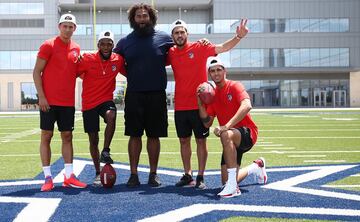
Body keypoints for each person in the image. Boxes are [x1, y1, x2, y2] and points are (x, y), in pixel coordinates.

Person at [168, 19, 249, 189]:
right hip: (180, 105)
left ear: (187, 34)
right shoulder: (170, 52)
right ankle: (188, 174)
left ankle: (200, 176)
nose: (180, 35)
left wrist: (238, 37)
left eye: (182, 32)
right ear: (172, 36)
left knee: (200, 141)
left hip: (200, 105)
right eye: (176, 33)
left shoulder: (199, 47)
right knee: (183, 141)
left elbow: (223, 48)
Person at [113, 3, 173, 188]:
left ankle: (153, 174)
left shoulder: (165, 38)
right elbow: (113, 62)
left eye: (145, 16)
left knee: (154, 135)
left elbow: (182, 49)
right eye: (138, 16)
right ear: (133, 19)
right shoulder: (124, 42)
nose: (141, 19)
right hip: (134, 94)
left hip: (156, 94)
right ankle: (133, 174)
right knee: (134, 135)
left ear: (151, 18)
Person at [197, 56, 267, 198]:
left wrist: (226, 126)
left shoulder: (235, 86)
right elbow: (207, 123)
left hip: (247, 133)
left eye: (219, 70)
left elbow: (247, 105)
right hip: (231, 140)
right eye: (212, 71)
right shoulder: (213, 95)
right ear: (209, 74)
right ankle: (257, 167)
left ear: (225, 71)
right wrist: (200, 103)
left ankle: (234, 189)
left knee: (225, 134)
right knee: (226, 181)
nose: (216, 73)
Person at [33, 14, 87, 192]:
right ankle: (48, 177)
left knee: (67, 137)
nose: (68, 29)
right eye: (65, 26)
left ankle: (68, 176)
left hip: (67, 102)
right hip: (48, 102)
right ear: (59, 26)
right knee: (46, 136)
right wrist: (41, 97)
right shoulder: (48, 45)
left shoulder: (76, 48)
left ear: (75, 29)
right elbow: (36, 72)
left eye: (71, 26)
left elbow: (76, 72)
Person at [77, 31, 126, 186]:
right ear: (98, 45)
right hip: (89, 102)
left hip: (105, 100)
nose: (106, 47)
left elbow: (130, 71)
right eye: (103, 44)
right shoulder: (87, 58)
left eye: (109, 43)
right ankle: (98, 172)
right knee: (93, 140)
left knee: (111, 115)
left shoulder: (118, 59)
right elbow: (75, 72)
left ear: (113, 45)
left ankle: (106, 150)